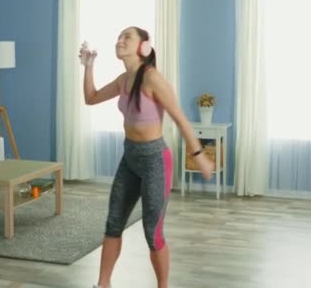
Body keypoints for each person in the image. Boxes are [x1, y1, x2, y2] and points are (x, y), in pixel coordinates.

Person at [81, 26, 214, 288]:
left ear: (143, 47)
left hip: (155, 161)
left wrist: (198, 154)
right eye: (119, 36)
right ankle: (102, 284)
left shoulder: (153, 79)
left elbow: (179, 117)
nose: (119, 40)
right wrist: (88, 65)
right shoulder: (123, 79)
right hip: (129, 158)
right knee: (113, 223)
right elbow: (91, 98)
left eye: (127, 37)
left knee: (152, 233)